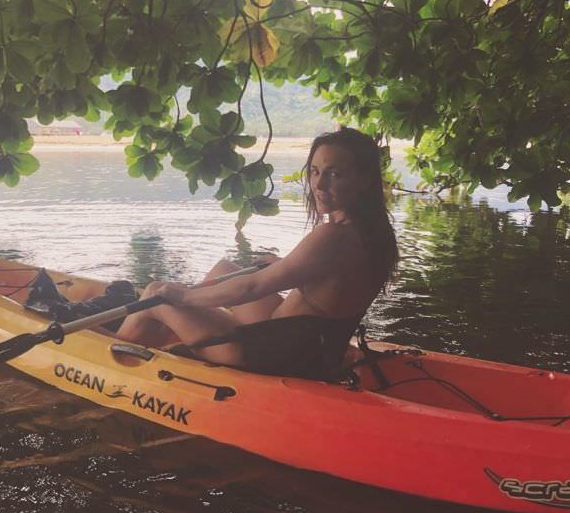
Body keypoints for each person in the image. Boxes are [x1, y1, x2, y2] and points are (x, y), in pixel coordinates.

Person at [116, 127, 399, 378]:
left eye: (334, 174)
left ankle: (110, 358)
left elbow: (252, 287)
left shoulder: (334, 236)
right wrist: (280, 264)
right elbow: (329, 278)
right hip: (309, 345)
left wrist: (183, 296)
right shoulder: (372, 232)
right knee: (224, 270)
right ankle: (177, 332)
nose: (319, 185)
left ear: (363, 180)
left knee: (155, 294)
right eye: (314, 171)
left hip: (275, 357)